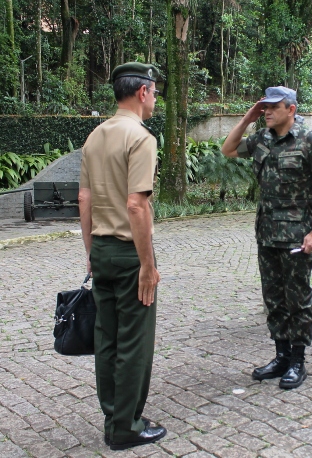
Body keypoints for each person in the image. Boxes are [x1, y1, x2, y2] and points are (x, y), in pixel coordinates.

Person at [78, 62, 166, 450]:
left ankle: (113, 416)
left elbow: (84, 199)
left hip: (101, 249)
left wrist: (91, 252)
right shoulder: (141, 138)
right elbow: (136, 205)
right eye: (155, 92)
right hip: (130, 254)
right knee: (134, 342)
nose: (155, 98)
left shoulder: (95, 137)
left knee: (107, 338)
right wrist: (148, 265)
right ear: (142, 92)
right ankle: (126, 428)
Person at [221, 86, 312, 389]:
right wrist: (247, 119)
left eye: (273, 107)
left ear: (291, 109)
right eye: (264, 107)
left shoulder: (310, 140)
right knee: (273, 297)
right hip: (267, 232)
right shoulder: (262, 139)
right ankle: (281, 356)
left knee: (297, 298)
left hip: (297, 234)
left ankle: (297, 361)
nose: (267, 112)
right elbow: (227, 149)